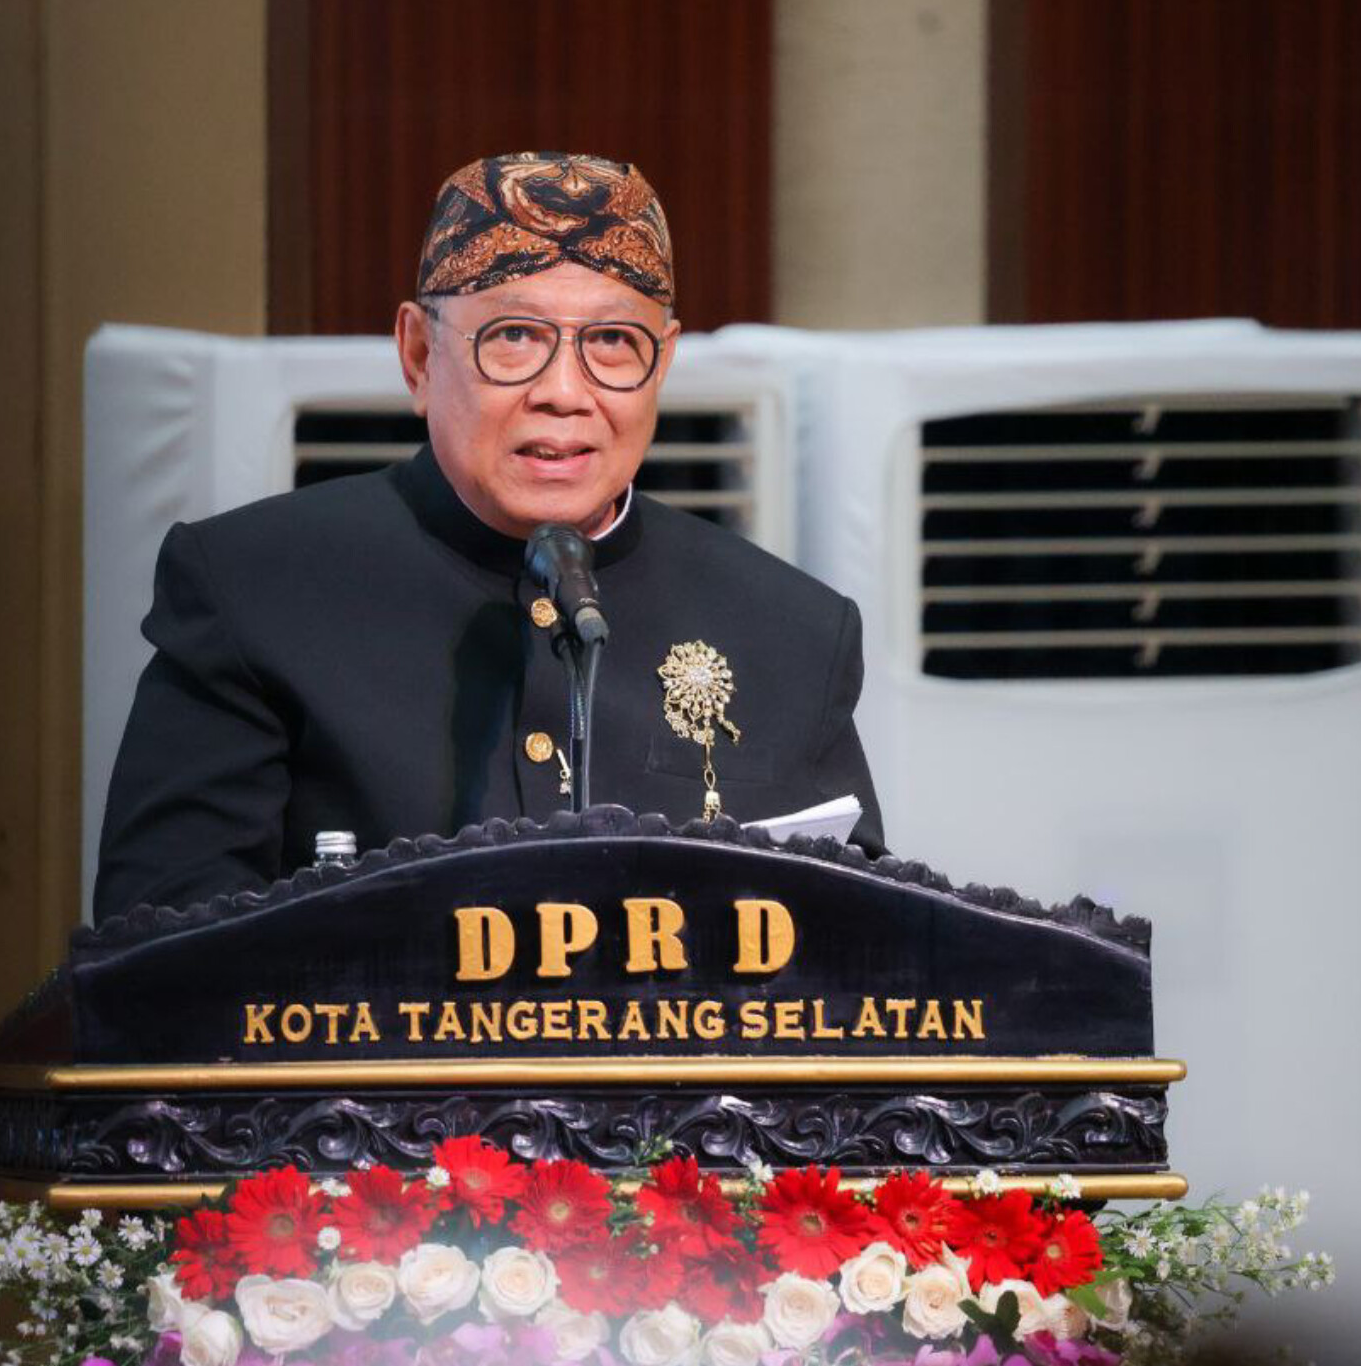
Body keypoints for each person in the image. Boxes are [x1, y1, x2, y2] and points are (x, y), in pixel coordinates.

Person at [93, 152, 884, 921]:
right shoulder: (255, 591)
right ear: (417, 356)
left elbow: (875, 965)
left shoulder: (793, 633)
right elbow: (160, 964)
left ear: (662, 365)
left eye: (613, 343)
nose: (564, 393)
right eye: (512, 337)